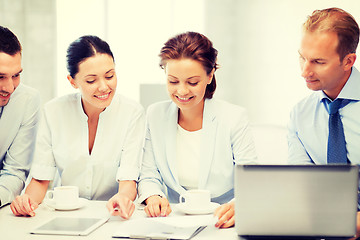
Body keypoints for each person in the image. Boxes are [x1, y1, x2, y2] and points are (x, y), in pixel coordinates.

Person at [10, 35, 145, 219]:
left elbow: (128, 180)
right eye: (91, 81)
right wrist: (26, 202)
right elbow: (41, 179)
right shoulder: (53, 112)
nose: (104, 86)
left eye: (110, 76)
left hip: (111, 215)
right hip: (64, 215)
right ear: (72, 81)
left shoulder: (132, 113)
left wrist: (122, 198)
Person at [138, 31, 257, 228]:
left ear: (210, 75)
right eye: (173, 81)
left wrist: (239, 205)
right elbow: (149, 173)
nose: (182, 91)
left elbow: (251, 177)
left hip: (220, 218)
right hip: (172, 219)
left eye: (192, 82)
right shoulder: (155, 114)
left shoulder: (234, 117)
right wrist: (153, 196)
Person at [287, 7, 360, 237]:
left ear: (348, 61)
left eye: (318, 61)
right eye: (302, 58)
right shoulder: (300, 114)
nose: (304, 71)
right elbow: (301, 184)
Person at [0, 26, 40, 207]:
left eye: (16, 75)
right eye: (0, 77)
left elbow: (14, 172)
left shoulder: (27, 100)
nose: (9, 88)